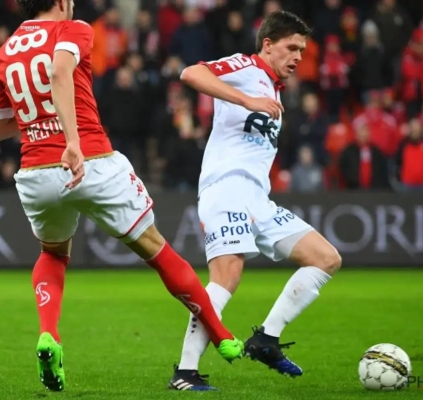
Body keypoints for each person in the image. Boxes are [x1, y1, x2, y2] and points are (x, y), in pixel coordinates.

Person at [0, 0, 243, 392]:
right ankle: (222, 336)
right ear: (61, 2)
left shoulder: (4, 52)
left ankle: (49, 333)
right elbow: (59, 70)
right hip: (90, 160)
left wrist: (38, 120)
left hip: (36, 172)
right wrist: (71, 140)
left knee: (52, 254)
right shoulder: (73, 29)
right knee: (157, 249)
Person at [170, 10, 342, 391]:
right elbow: (191, 74)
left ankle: (266, 338)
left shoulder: (274, 91)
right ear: (267, 44)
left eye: (302, 50)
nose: (298, 57)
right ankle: (185, 372)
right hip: (226, 188)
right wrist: (246, 99)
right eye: (291, 47)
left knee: (326, 258)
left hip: (257, 198)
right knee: (227, 276)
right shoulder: (246, 68)